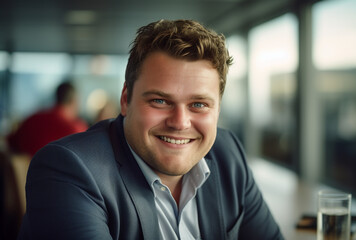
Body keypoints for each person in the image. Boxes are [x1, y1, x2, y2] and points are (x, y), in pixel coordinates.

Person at [18, 20, 284, 239]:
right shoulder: (69, 169)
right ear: (125, 99)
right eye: (160, 101)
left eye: (199, 104)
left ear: (217, 109)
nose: (180, 122)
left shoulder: (229, 155)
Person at [7, 81, 88, 157]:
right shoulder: (77, 130)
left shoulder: (32, 119)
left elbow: (11, 142)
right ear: (74, 101)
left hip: (28, 171)